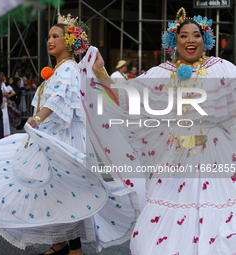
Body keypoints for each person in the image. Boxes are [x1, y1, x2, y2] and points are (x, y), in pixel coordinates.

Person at [0, 13, 139, 255]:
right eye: (48, 36)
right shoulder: (62, 69)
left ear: (69, 42)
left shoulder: (67, 69)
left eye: (56, 36)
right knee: (54, 190)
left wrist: (37, 118)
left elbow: (58, 100)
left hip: (64, 136)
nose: (50, 40)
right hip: (56, 134)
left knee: (64, 190)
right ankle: (60, 242)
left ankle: (74, 248)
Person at [88, 7, 236, 254]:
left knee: (220, 209)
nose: (191, 40)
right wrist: (101, 73)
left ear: (205, 39)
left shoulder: (222, 68)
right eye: (184, 35)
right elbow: (127, 97)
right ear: (174, 41)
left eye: (196, 35)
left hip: (216, 153)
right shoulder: (161, 74)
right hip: (177, 156)